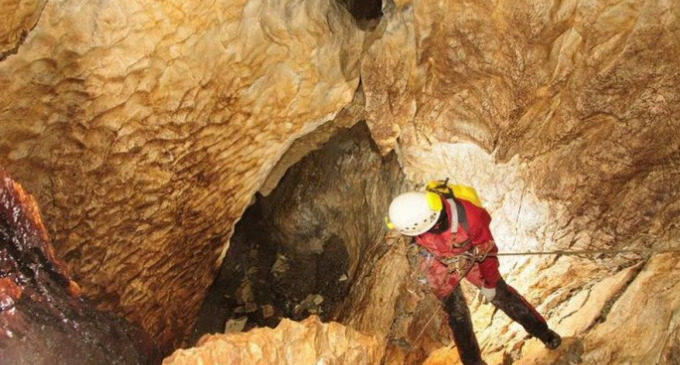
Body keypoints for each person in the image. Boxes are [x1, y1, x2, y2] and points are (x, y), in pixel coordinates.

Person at [386, 187, 561, 365]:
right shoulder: (414, 218)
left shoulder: (469, 217)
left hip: (469, 254)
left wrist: (490, 284)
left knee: (502, 295)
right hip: (436, 260)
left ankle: (544, 333)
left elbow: (487, 253)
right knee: (457, 315)